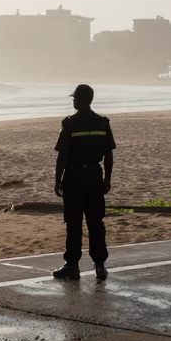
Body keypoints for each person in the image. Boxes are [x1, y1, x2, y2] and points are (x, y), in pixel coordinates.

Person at [52, 84, 115, 282]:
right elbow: (108, 155)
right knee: (95, 222)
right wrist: (107, 179)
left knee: (73, 222)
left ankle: (72, 265)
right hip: (95, 176)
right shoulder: (102, 123)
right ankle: (100, 265)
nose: (73, 101)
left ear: (79, 100)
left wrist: (57, 179)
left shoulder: (70, 124)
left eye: (74, 98)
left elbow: (63, 155)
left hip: (74, 177)